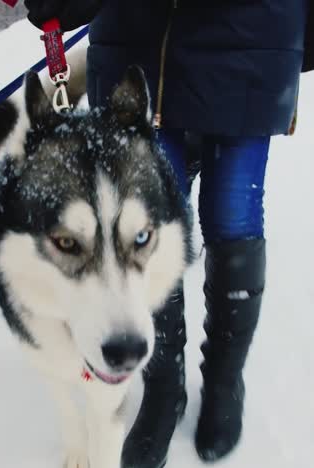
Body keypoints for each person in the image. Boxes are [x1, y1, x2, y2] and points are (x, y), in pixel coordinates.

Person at [25, 1, 313, 467]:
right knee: (142, 224)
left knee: (234, 217)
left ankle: (224, 382)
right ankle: (163, 388)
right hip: (141, 42)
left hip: (255, 32)